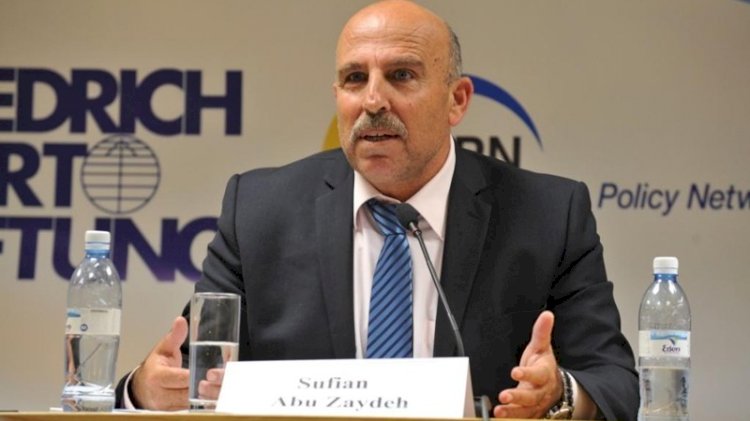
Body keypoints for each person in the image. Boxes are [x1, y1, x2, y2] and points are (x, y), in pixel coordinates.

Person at [115, 1, 638, 419]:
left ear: (457, 100)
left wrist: (560, 394)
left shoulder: (548, 215)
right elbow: (192, 373)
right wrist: (144, 390)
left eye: (401, 75)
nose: (372, 101)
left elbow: (614, 383)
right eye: (354, 79)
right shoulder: (258, 211)